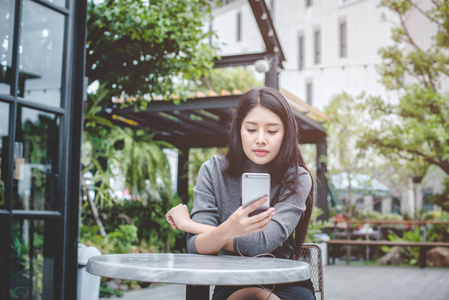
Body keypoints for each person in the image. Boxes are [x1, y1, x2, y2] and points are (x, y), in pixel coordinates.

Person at [166, 87, 315, 300]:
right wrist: (229, 229)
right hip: (232, 282)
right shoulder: (213, 171)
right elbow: (196, 246)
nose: (261, 139)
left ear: (286, 134)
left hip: (285, 282)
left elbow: (258, 244)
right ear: (238, 130)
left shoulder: (297, 178)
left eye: (272, 131)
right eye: (251, 129)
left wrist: (189, 225)